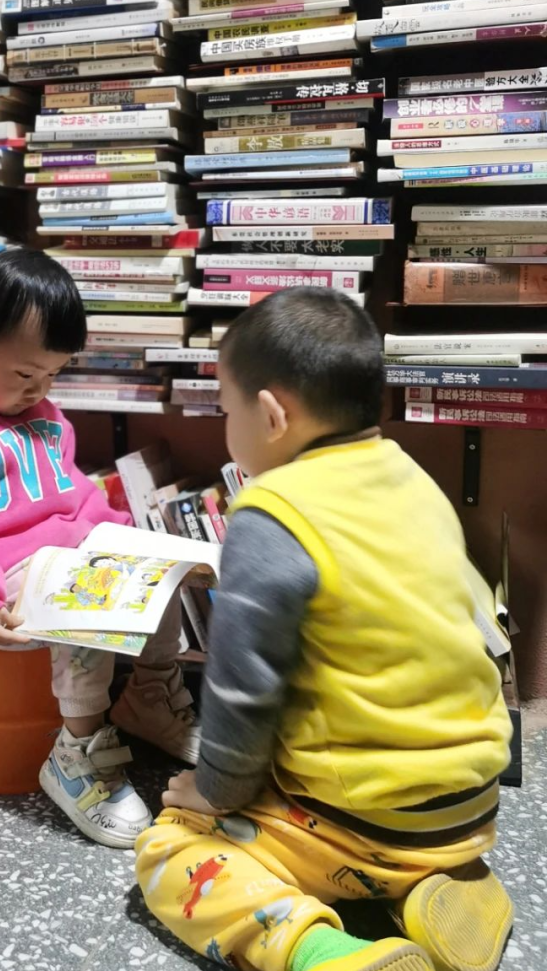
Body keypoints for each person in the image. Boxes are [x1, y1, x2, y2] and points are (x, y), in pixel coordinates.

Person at [135, 288, 514, 971]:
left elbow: (243, 686)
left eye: (226, 409)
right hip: (469, 808)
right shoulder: (413, 478)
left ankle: (317, 949)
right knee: (393, 824)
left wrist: (214, 790)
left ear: (272, 414)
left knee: (171, 848)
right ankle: (444, 880)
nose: (226, 426)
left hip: (363, 817)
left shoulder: (272, 511)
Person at [0, 247, 197, 848]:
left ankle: (151, 695)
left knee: (157, 570)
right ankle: (77, 751)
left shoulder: (44, 417)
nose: (40, 389)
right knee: (89, 604)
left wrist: (124, 536)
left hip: (63, 559)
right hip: (1, 571)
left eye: (54, 374)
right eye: (25, 375)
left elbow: (71, 496)